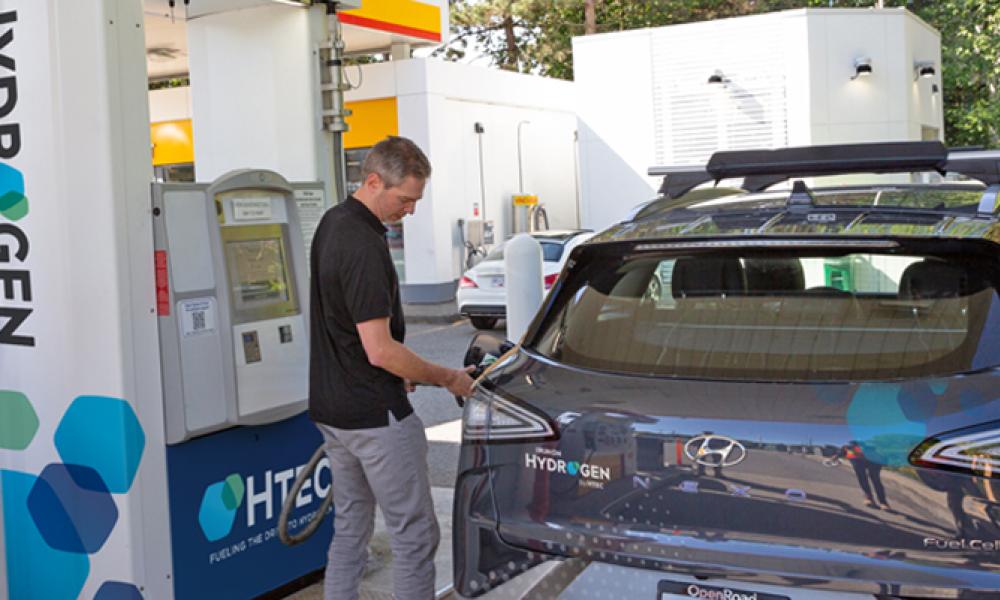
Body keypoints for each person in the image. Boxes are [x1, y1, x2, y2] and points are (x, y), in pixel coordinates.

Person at [309, 136, 475, 600]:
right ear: (374, 181)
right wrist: (450, 378)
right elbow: (379, 350)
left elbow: (345, 327)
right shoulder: (362, 243)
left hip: (333, 411)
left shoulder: (331, 222)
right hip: (374, 417)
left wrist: (401, 367)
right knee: (415, 536)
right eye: (405, 199)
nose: (411, 211)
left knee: (351, 530)